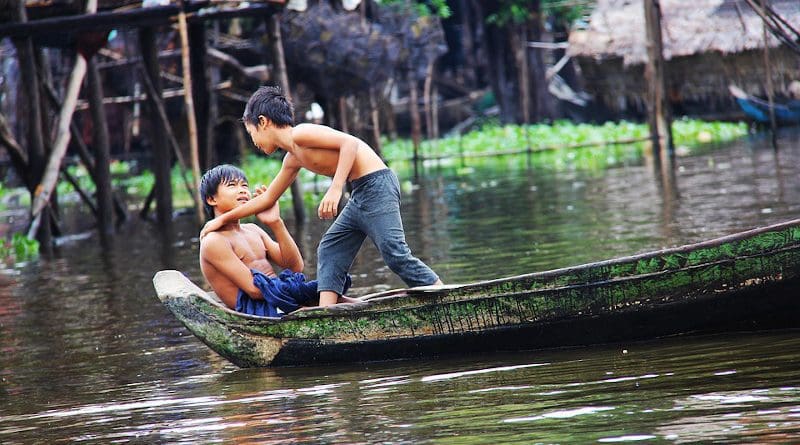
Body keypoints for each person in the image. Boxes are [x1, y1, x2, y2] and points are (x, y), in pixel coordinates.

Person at [200, 86, 443, 306]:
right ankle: (327, 311)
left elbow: (350, 144)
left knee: (394, 253)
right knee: (329, 248)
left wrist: (336, 188)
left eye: (251, 132)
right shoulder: (292, 158)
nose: (253, 141)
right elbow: (266, 200)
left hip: (377, 184)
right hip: (360, 192)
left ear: (263, 122)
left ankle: (441, 294)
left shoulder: (301, 134)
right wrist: (220, 220)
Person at [198, 164, 352, 316]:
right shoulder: (213, 241)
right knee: (323, 297)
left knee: (331, 291)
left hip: (278, 297)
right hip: (257, 309)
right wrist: (295, 292)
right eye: (232, 185)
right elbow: (255, 291)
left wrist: (276, 223)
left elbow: (295, 266)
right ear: (211, 199)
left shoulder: (253, 230)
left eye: (244, 185)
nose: (243, 190)